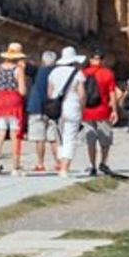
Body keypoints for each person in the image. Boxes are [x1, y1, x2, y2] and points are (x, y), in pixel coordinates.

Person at [0, 43, 28, 177]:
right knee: (15, 135)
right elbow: (22, 91)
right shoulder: (18, 69)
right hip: (14, 101)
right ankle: (15, 167)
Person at [47, 46, 87, 176]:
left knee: (60, 137)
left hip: (57, 108)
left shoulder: (53, 73)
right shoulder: (78, 73)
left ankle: (60, 163)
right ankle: (65, 168)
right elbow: (81, 94)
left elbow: (49, 93)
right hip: (72, 106)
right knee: (70, 137)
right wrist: (82, 108)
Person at [81, 51, 120, 177]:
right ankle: (103, 162)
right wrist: (114, 110)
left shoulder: (83, 73)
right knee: (105, 140)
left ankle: (92, 165)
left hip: (86, 112)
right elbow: (112, 93)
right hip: (103, 111)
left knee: (90, 140)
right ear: (102, 60)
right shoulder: (107, 73)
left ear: (91, 60)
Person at [25, 49, 60, 172]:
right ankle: (58, 162)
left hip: (37, 107)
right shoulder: (57, 73)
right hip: (53, 109)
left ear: (43, 61)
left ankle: (40, 163)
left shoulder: (38, 71)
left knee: (39, 138)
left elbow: (27, 67)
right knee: (53, 138)